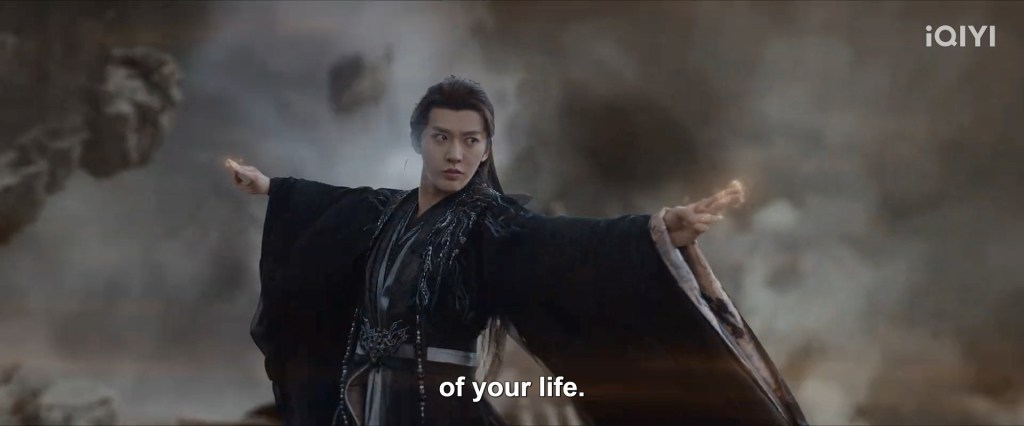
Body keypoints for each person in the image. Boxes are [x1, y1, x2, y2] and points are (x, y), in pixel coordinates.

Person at [226, 76, 806, 426]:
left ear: (485, 149)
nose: (456, 154)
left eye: (470, 140)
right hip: (363, 398)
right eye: (442, 137)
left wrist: (653, 231)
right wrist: (270, 187)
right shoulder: (385, 211)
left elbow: (569, 244)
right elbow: (330, 202)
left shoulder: (493, 225)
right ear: (420, 140)